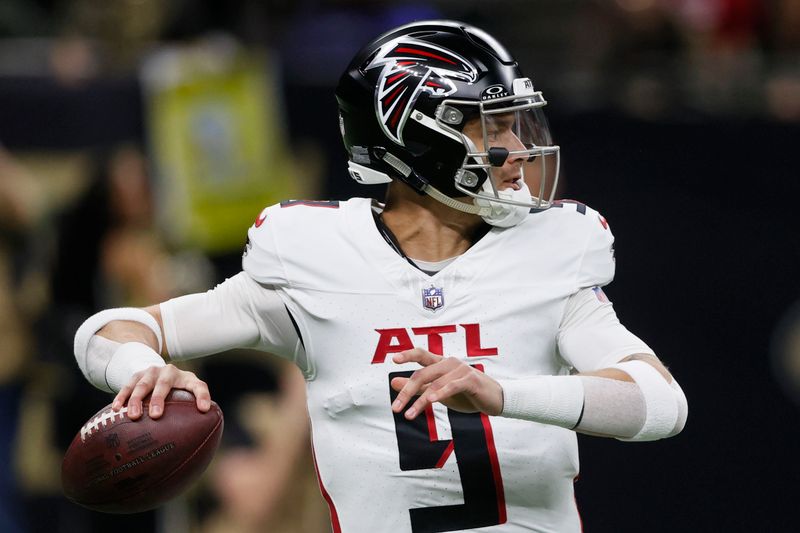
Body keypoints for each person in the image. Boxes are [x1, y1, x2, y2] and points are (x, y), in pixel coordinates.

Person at [72, 20, 688, 533]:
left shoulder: (551, 250)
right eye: (491, 125)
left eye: (514, 123)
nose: (517, 149)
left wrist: (502, 394)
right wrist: (142, 372)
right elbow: (105, 332)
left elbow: (659, 404)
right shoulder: (315, 255)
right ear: (418, 136)